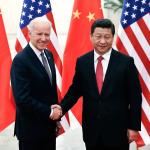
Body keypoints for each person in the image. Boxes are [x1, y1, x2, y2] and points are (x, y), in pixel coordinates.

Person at [51, 18, 142, 150]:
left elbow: (135, 97)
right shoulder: (83, 62)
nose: (103, 41)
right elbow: (75, 91)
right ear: (91, 37)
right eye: (98, 36)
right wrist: (60, 109)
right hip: (92, 131)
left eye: (107, 37)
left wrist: (133, 127)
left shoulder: (126, 62)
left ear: (112, 37)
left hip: (118, 132)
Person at [10, 17, 60, 150]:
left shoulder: (48, 55)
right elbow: (22, 98)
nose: (44, 38)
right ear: (29, 33)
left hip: (49, 129)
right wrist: (50, 112)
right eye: (39, 34)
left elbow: (50, 89)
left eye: (47, 34)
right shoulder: (21, 60)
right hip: (30, 132)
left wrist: (56, 115)